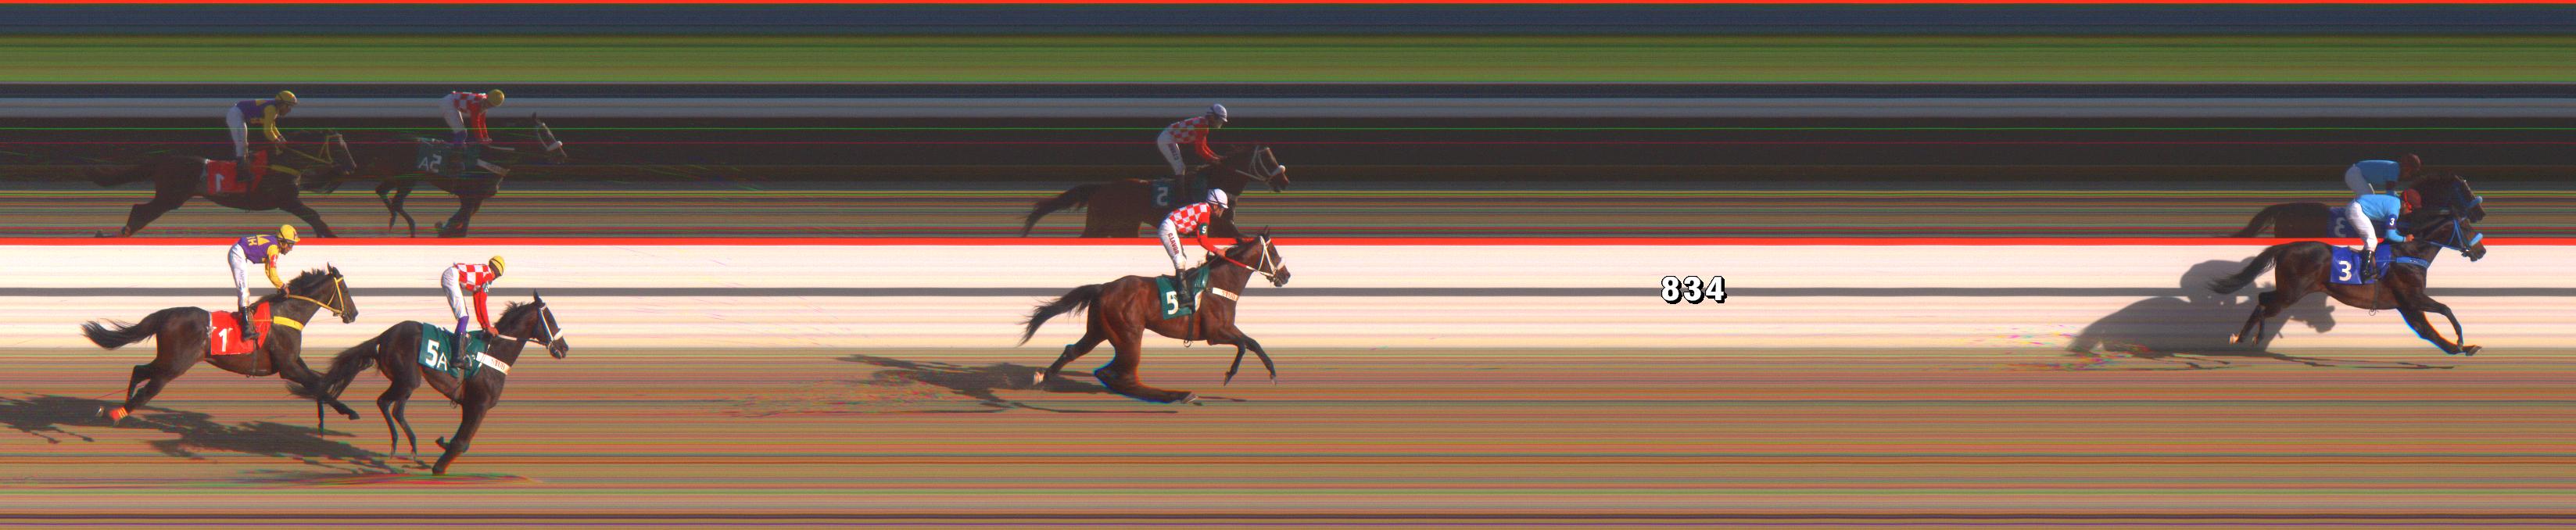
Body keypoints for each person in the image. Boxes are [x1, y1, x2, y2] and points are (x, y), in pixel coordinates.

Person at [226, 225, 299, 342]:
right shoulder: (274, 249)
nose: (291, 249)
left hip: (239, 251)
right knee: (244, 291)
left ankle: (242, 319)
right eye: (290, 245)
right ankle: (246, 330)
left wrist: (280, 286)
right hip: (238, 254)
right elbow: (271, 273)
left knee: (243, 291)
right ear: (283, 242)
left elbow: (268, 271)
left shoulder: (273, 243)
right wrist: (283, 286)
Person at [1156, 189, 1234, 283]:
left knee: (1182, 259)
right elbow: (1202, 240)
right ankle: (1182, 290)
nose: (1222, 211)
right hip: (1168, 226)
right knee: (1179, 260)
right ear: (1215, 206)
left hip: (1169, 225)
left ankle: (1180, 286)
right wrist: (1217, 250)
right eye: (1221, 208)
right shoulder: (1204, 214)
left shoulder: (1203, 208)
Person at [1156, 104, 1228, 199]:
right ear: (1212, 117)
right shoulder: (1202, 125)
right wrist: (1214, 159)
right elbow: (1199, 150)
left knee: (1180, 167)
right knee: (1180, 167)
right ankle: (1179, 198)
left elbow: (1204, 146)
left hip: (1169, 137)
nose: (1219, 122)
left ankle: (1180, 195)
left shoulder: (1203, 124)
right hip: (1167, 139)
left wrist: (1217, 157)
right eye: (1219, 119)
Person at [441, 256, 507, 356]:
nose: (494, 278)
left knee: (464, 316)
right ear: (496, 272)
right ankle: (457, 356)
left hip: (451, 274)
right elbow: (482, 303)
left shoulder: (485, 272)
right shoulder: (488, 276)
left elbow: (478, 303)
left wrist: (484, 326)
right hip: (451, 276)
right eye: (497, 276)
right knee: (464, 317)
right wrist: (488, 326)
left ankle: (458, 347)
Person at [224, 91, 296, 177]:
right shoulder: (271, 109)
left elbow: (272, 126)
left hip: (239, 114)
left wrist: (281, 138)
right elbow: (267, 130)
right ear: (281, 104)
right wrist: (278, 141)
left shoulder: (274, 108)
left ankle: (245, 166)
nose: (289, 110)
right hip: (235, 114)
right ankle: (241, 172)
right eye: (288, 106)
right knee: (242, 144)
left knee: (244, 145)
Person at [2345, 192, 2407, 281]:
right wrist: (2405, 239)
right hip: (2356, 210)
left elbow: (2392, 231)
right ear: (2404, 204)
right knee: (2372, 241)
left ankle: (2365, 265)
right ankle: (2364, 273)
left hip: (2357, 206)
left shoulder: (2395, 201)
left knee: (2372, 241)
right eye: (2411, 208)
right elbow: (2390, 235)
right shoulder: (2394, 211)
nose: (2411, 211)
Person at [440, 89, 506, 147]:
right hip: (448, 104)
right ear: (487, 101)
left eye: (492, 106)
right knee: (461, 133)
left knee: (462, 133)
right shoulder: (476, 104)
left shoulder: (483, 102)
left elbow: (482, 122)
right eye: (490, 105)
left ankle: (458, 148)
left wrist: (486, 137)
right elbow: (475, 122)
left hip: (451, 102)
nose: (489, 107)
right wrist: (480, 139)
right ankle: (456, 152)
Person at [2344, 154, 2419, 197]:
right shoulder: (2394, 170)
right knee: (2367, 197)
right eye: (2411, 172)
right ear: (2406, 168)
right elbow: (2389, 193)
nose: (2409, 176)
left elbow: (2391, 192)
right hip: (2354, 173)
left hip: (2355, 172)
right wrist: (2402, 201)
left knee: (2369, 196)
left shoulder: (2395, 167)